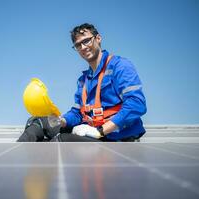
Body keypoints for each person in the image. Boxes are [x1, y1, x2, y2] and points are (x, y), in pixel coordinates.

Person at [18, 23, 147, 142]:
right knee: (37, 122)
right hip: (91, 134)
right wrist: (62, 121)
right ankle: (15, 160)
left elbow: (136, 104)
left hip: (114, 138)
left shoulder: (120, 66)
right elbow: (77, 113)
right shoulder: (83, 80)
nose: (83, 47)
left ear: (98, 38)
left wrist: (100, 131)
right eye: (78, 45)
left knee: (61, 140)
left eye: (86, 41)